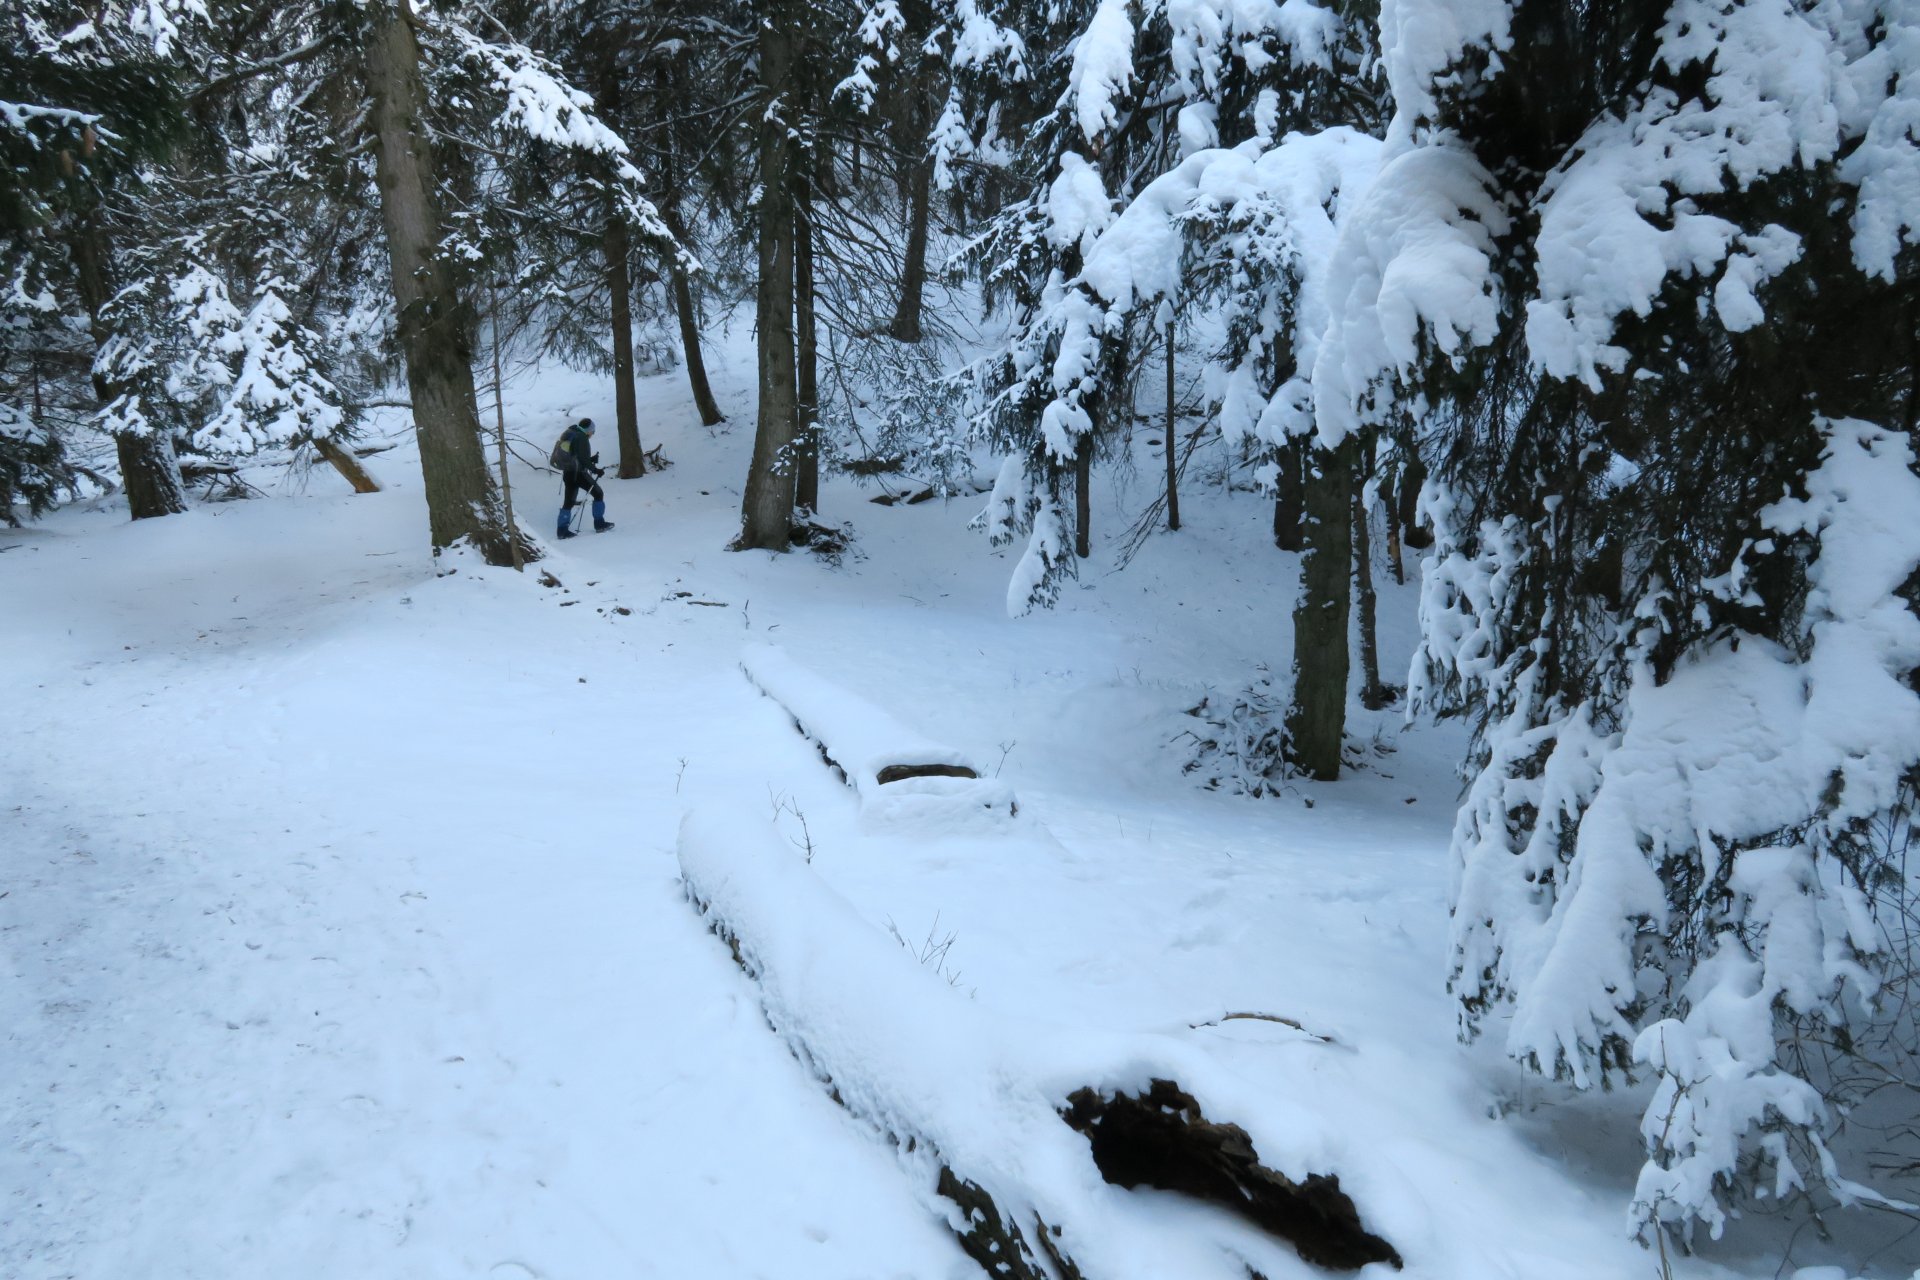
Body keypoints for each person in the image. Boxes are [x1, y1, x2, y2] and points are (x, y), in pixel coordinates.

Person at [552, 417, 613, 538]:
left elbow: (576, 456)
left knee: (568, 502)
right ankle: (600, 524)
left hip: (568, 473)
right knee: (598, 494)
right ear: (588, 430)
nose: (593, 434)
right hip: (578, 474)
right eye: (593, 431)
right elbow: (583, 459)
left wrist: (591, 460)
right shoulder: (582, 438)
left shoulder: (571, 433)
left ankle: (562, 531)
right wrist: (596, 470)